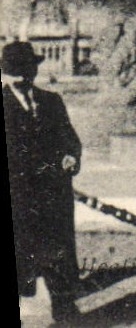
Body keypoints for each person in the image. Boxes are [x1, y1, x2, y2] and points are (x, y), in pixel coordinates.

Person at [5, 40, 83, 321]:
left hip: (53, 196)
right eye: (17, 70)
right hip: (19, 197)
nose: (24, 76)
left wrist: (71, 157)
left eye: (28, 69)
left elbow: (71, 140)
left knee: (58, 254)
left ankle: (65, 310)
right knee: (22, 255)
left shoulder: (52, 101)